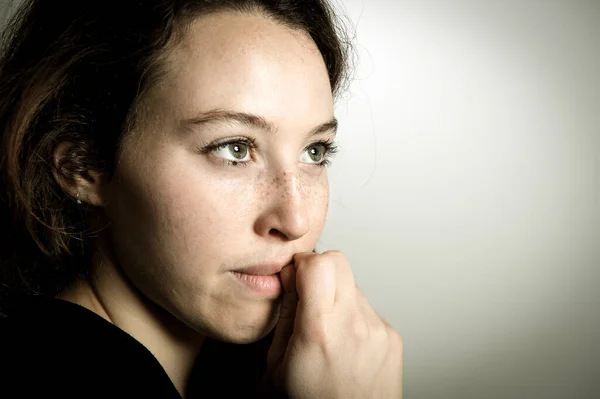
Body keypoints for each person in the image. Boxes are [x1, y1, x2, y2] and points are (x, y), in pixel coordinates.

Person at [0, 0, 403, 398]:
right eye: (234, 149)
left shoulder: (252, 373)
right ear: (82, 166)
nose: (295, 220)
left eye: (314, 151)